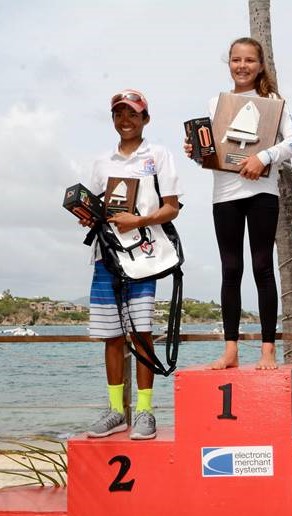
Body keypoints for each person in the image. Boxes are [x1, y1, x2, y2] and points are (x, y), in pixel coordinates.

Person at [185, 37, 292, 370]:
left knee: (262, 267)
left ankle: (268, 349)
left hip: (262, 194)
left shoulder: (273, 101)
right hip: (224, 196)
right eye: (236, 60)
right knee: (230, 270)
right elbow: (214, 153)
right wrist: (197, 153)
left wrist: (263, 156)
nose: (242, 66)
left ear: (261, 64)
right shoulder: (215, 103)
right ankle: (231, 350)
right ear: (229, 63)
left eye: (249, 60)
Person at [82, 89, 182, 439]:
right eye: (118, 114)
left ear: (145, 119)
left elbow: (172, 208)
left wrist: (137, 221)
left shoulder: (159, 155)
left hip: (143, 256)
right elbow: (97, 208)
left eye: (132, 114)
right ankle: (115, 412)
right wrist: (87, 216)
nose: (125, 121)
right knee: (111, 337)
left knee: (141, 334)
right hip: (106, 256)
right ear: (113, 119)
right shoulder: (101, 161)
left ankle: (144, 411)